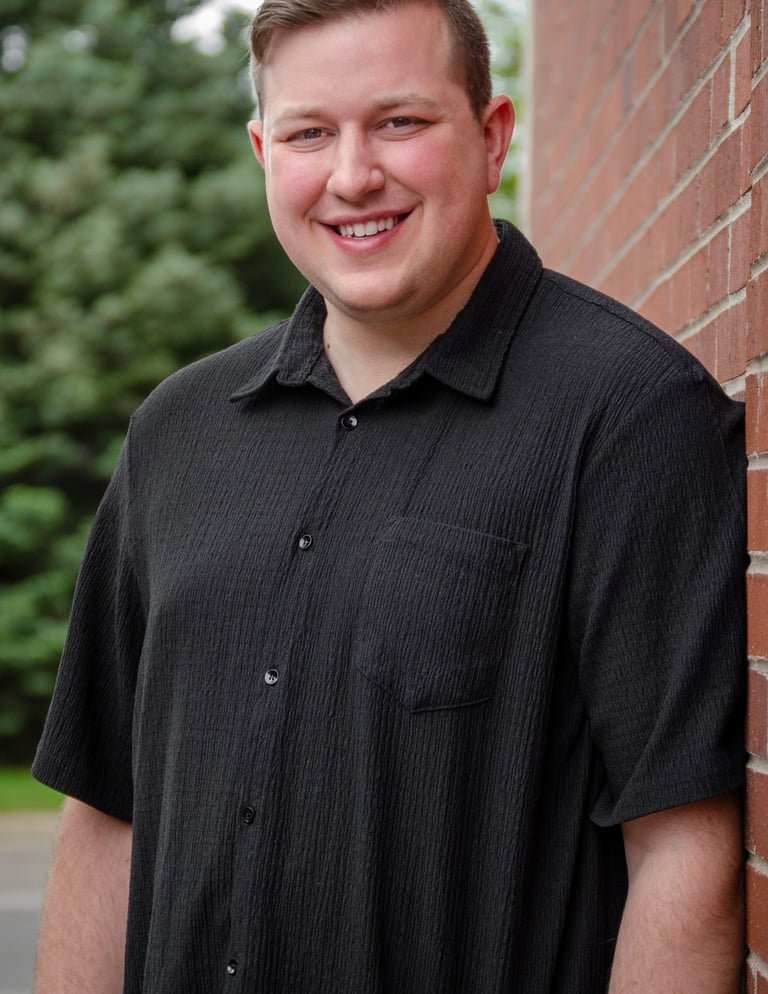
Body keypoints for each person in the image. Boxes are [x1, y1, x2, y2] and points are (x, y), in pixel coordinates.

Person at [32, 0, 746, 991]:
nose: (352, 174)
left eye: (400, 122)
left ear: (492, 136)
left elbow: (682, 847)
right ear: (262, 151)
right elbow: (106, 807)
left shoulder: (629, 416)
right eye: (309, 132)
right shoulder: (178, 432)